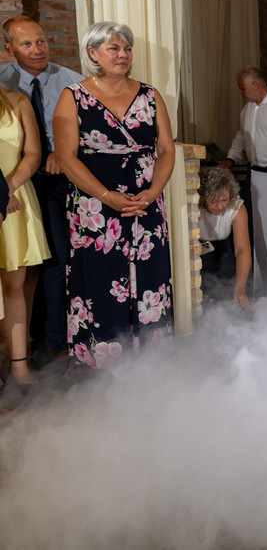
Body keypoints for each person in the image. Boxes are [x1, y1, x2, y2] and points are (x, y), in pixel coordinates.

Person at [52, 21, 175, 367]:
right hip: (95, 208)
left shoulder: (150, 95)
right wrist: (106, 196)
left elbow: (166, 149)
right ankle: (104, 364)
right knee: (101, 280)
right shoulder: (73, 97)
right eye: (114, 48)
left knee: (150, 276)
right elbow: (66, 157)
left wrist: (152, 192)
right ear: (93, 53)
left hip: (145, 203)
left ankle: (151, 361)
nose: (123, 55)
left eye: (127, 49)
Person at [0, 16, 84, 358]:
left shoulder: (73, 82)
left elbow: (87, 132)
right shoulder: (2, 81)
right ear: (10, 49)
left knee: (54, 260)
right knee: (20, 269)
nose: (37, 49)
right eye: (26, 44)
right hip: (12, 179)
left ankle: (54, 342)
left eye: (41, 41)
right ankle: (21, 345)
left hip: (53, 178)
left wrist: (61, 154)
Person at [0, 86, 49, 388]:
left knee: (14, 286)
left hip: (15, 196)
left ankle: (19, 366)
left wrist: (7, 189)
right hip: (3, 197)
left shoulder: (17, 100)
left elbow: (33, 154)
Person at [198, 166, 251, 309]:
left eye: (224, 200)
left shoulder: (236, 206)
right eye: (213, 201)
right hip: (197, 253)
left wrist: (240, 289)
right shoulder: (194, 206)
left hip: (224, 252)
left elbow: (242, 250)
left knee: (228, 297)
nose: (220, 206)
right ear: (202, 197)